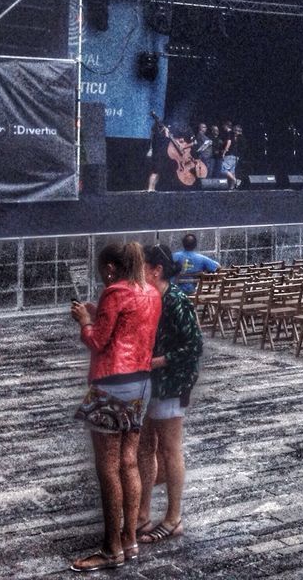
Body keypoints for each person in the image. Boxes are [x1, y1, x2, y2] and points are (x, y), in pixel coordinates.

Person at [69, 242, 161, 572]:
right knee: (129, 462)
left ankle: (110, 549)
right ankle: (129, 541)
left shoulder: (115, 292)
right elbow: (129, 329)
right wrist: (99, 313)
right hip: (142, 383)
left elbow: (98, 341)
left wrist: (83, 320)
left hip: (112, 384)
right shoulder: (150, 291)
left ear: (109, 268)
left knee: (108, 467)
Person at [136, 245, 203, 548]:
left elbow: (194, 347)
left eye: (142, 268)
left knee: (170, 449)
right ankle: (142, 513)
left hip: (171, 382)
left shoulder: (176, 300)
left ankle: (173, 516)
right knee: (145, 447)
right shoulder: (151, 298)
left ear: (156, 270)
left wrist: (158, 361)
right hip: (150, 382)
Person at [220, 125, 243, 189]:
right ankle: (232, 187)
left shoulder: (230, 135)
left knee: (223, 169)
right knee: (232, 172)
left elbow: (229, 142)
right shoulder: (240, 138)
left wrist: (224, 152)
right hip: (236, 156)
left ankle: (236, 180)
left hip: (230, 155)